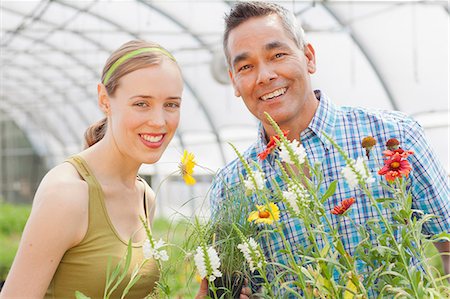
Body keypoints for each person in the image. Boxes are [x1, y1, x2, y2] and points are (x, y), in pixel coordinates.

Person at [210, 1, 450, 297]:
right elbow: (234, 285)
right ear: (234, 81)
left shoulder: (393, 136)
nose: (264, 76)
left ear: (308, 57)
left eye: (278, 55)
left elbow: (447, 242)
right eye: (246, 66)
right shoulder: (231, 186)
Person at [0, 40, 250, 299]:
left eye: (171, 104)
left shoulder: (144, 196)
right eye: (141, 103)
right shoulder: (68, 193)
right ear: (104, 100)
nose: (158, 121)